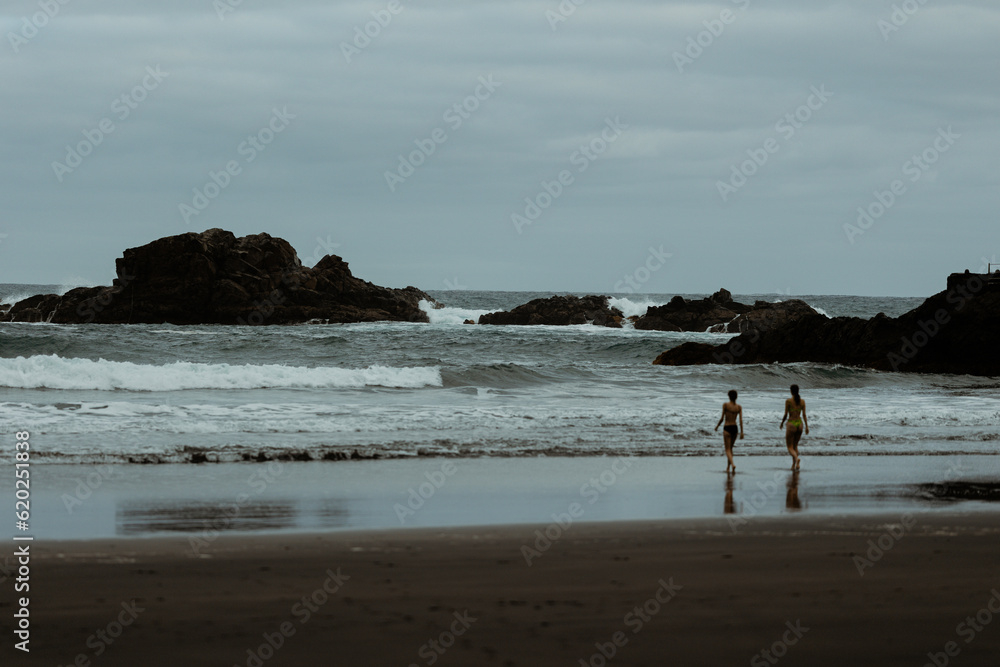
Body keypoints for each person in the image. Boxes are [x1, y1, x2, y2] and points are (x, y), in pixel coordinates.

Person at [779, 384, 808, 470]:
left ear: (791, 391)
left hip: (791, 423)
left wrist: (782, 423)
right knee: (795, 446)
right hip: (800, 424)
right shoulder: (802, 401)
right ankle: (794, 465)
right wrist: (807, 426)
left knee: (790, 447)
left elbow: (785, 415)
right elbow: (804, 415)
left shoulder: (788, 401)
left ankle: (796, 459)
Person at [714, 389, 743, 473]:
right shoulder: (738, 407)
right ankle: (728, 467)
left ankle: (733, 465)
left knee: (727, 449)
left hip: (727, 428)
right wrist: (742, 432)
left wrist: (717, 426)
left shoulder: (725, 405)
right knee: (731, 449)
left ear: (729, 396)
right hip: (735, 428)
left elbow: (722, 418)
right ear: (736, 397)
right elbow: (740, 420)